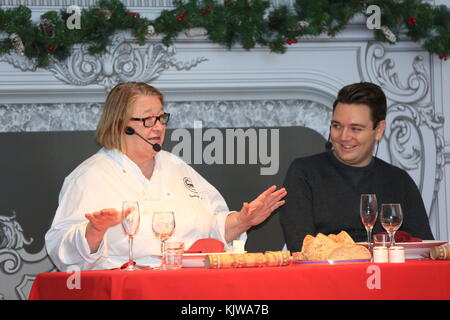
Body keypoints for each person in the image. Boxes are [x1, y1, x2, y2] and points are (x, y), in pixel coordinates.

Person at [45, 82, 287, 271]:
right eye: (148, 119)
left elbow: (211, 226)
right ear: (120, 125)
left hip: (186, 287)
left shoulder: (175, 166)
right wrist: (92, 232)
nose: (159, 127)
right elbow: (61, 250)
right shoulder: (91, 176)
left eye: (161, 118)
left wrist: (243, 220)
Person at [279, 82, 434, 252]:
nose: (344, 137)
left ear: (379, 129)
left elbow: (424, 249)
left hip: (389, 275)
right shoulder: (304, 173)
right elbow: (301, 248)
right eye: (336, 126)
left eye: (355, 129)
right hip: (325, 276)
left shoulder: (399, 181)